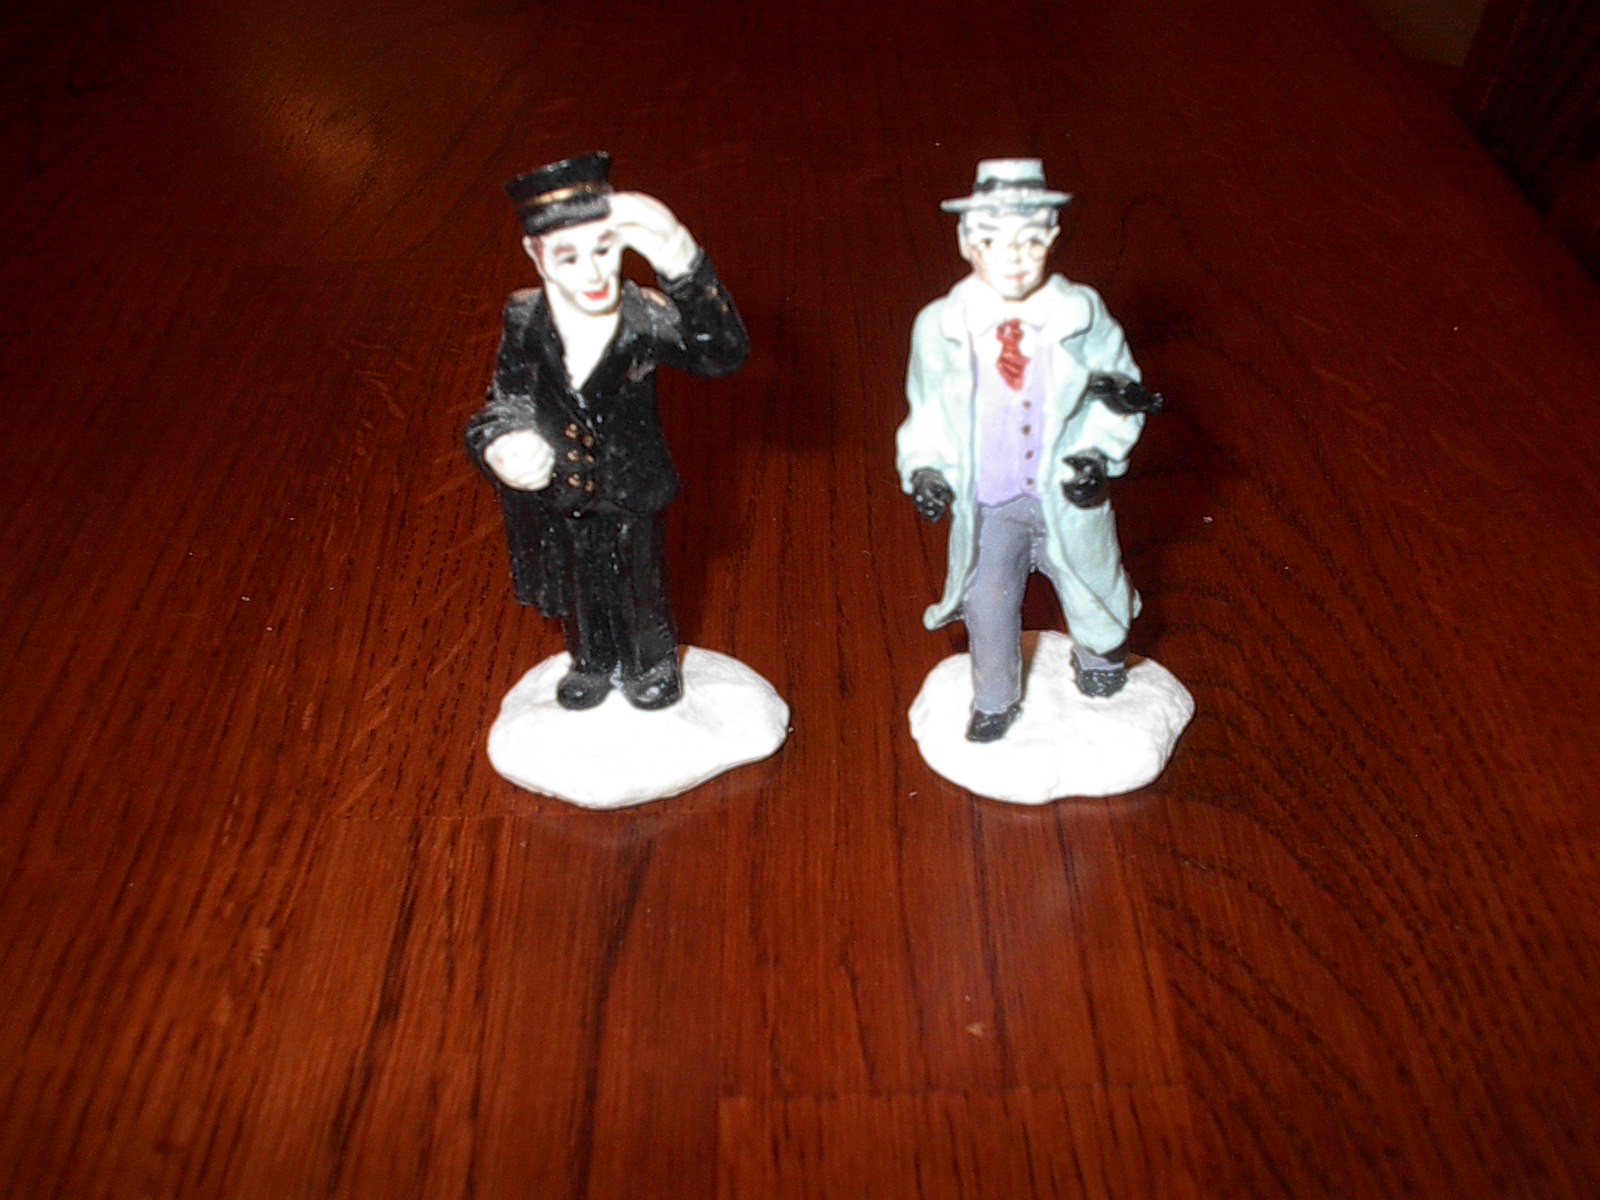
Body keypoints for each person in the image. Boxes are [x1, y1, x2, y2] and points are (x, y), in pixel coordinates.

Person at [466, 152, 749, 711]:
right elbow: (506, 401)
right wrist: (501, 443)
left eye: (604, 250)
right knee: (581, 580)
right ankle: (591, 660)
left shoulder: (644, 316)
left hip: (631, 485)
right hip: (563, 490)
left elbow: (722, 354)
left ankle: (650, 663)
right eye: (569, 257)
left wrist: (683, 263)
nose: (594, 274)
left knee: (639, 580)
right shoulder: (524, 320)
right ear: (535, 254)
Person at [896, 158, 1162, 742]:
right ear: (968, 243)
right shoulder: (941, 327)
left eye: (1030, 241)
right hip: (991, 504)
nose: (1013, 257)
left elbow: (1121, 392)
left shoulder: (1081, 316)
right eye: (994, 241)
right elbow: (928, 411)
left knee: (1089, 582)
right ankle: (995, 699)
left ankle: (1101, 664)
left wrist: (1099, 454)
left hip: (1064, 494)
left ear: (1052, 238)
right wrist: (926, 470)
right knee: (988, 603)